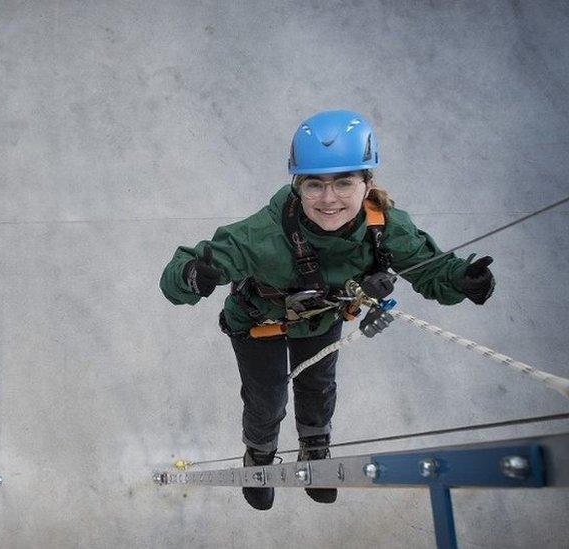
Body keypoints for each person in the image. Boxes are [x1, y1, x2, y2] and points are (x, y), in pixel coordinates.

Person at [159, 110, 495, 511]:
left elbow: (433, 269)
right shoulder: (263, 234)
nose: (329, 198)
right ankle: (259, 457)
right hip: (258, 321)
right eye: (315, 185)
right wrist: (193, 275)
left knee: (318, 386)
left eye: (344, 183)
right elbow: (181, 272)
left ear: (367, 183)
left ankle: (314, 449)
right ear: (298, 186)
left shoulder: (384, 228)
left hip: (320, 319)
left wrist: (463, 279)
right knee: (266, 398)